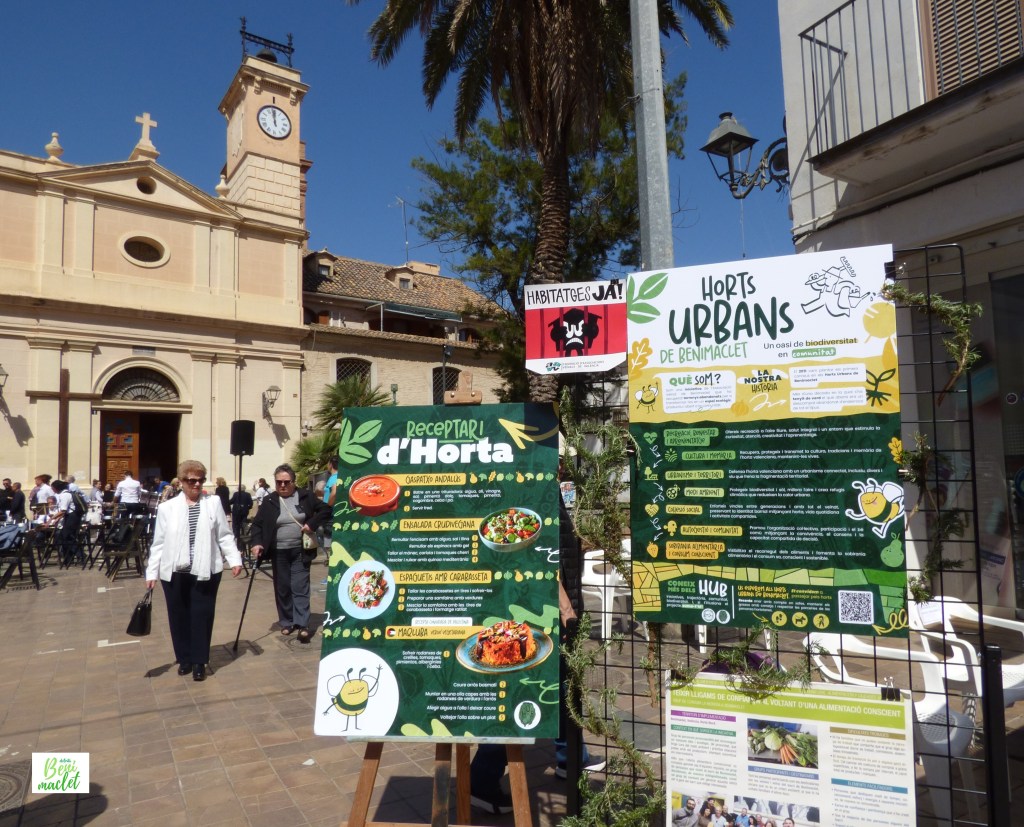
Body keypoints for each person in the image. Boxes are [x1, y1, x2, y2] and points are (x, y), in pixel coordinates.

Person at [145, 460, 243, 681]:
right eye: (191, 480)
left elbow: (224, 535)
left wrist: (234, 559)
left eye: (200, 480)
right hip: (175, 572)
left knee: (202, 615)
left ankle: (200, 661)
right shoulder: (167, 508)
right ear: (181, 482)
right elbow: (158, 543)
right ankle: (184, 658)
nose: (196, 484)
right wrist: (152, 572)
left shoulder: (213, 503)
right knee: (178, 616)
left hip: (205, 570)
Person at [249, 464, 329, 645]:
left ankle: (302, 624)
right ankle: (287, 621)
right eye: (278, 482)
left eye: (286, 482)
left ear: (294, 482)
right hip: (278, 552)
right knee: (283, 587)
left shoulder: (306, 496)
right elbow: (257, 525)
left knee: (300, 586)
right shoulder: (270, 501)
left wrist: (312, 524)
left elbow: (325, 510)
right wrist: (257, 543)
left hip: (300, 550)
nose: (282, 486)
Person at [47, 479, 83, 566]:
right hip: (71, 517)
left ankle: (81, 555)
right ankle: (68, 558)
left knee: (67, 537)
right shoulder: (66, 494)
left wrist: (51, 519)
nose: (52, 490)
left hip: (72, 517)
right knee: (65, 537)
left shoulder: (65, 495)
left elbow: (63, 511)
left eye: (53, 488)